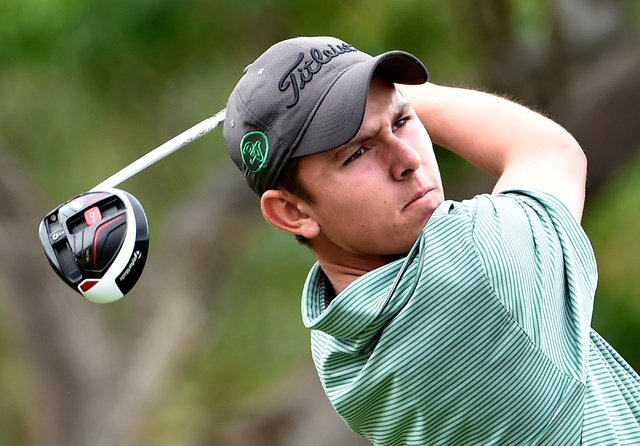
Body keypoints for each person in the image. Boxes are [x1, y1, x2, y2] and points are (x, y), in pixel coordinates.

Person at [223, 36, 640, 445]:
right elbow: (550, 151)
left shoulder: (335, 346)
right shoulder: (475, 265)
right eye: (356, 153)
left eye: (402, 122)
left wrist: (356, 94)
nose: (409, 159)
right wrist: (407, 95)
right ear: (292, 212)